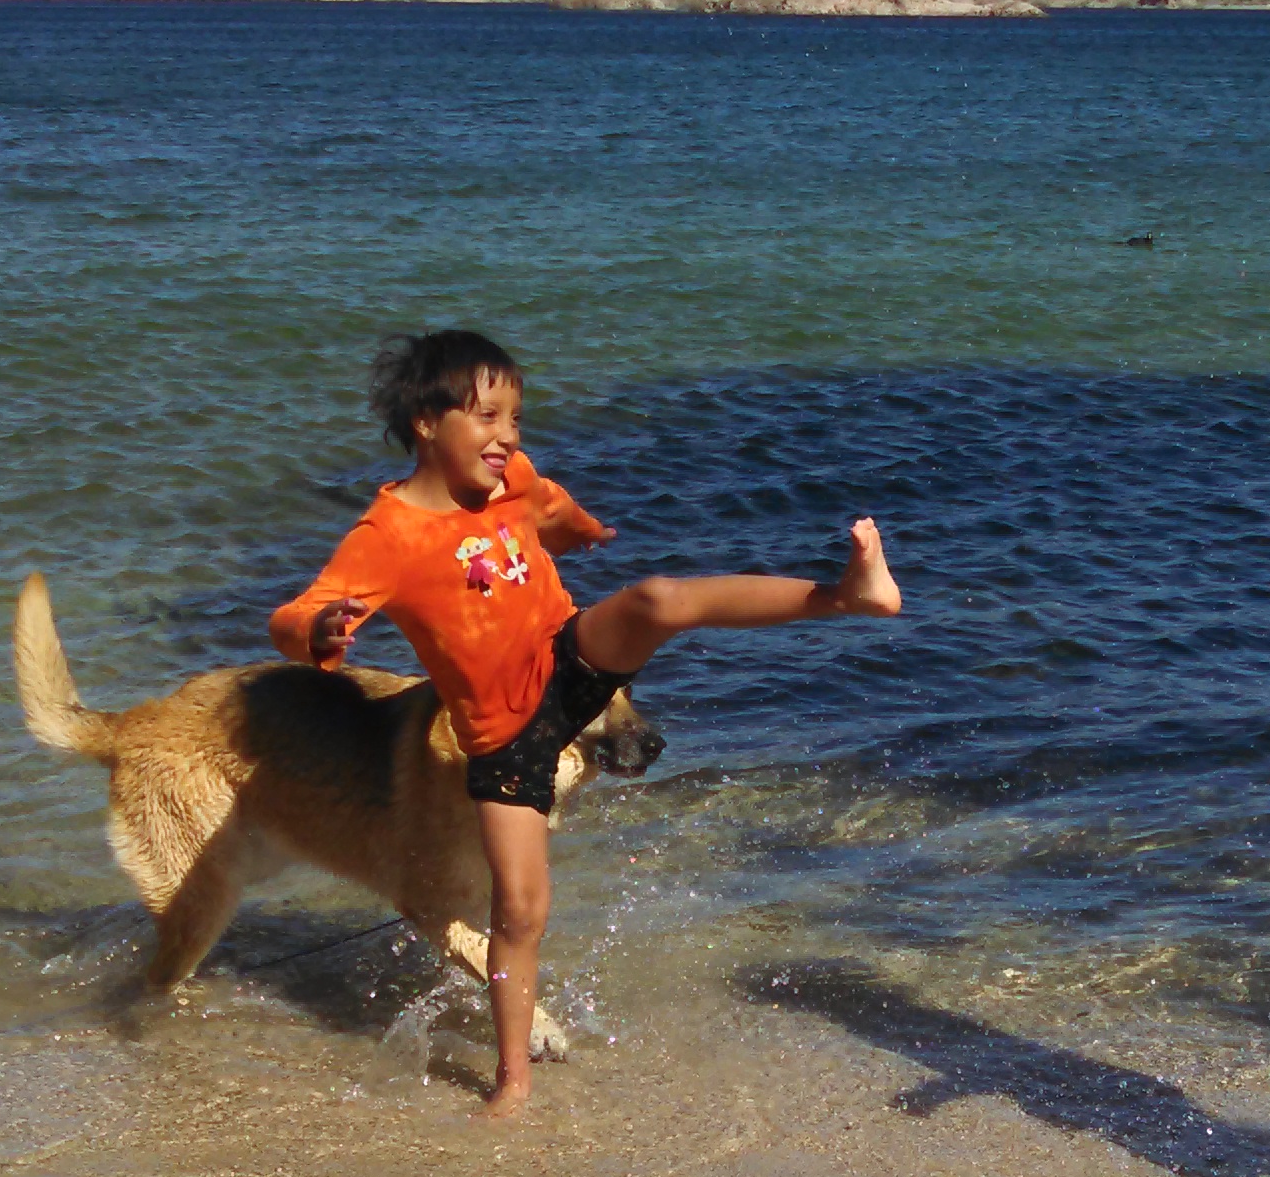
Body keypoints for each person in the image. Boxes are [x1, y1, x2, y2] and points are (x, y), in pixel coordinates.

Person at [270, 330, 902, 1116]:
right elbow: (293, 615)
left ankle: (845, 596)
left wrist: (583, 530)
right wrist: (319, 630)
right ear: (426, 423)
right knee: (519, 911)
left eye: (515, 419)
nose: (508, 436)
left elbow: (550, 506)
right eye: (488, 417)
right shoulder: (388, 535)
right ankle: (512, 1083)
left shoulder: (511, 481)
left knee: (659, 600)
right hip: (503, 735)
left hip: (568, 663)